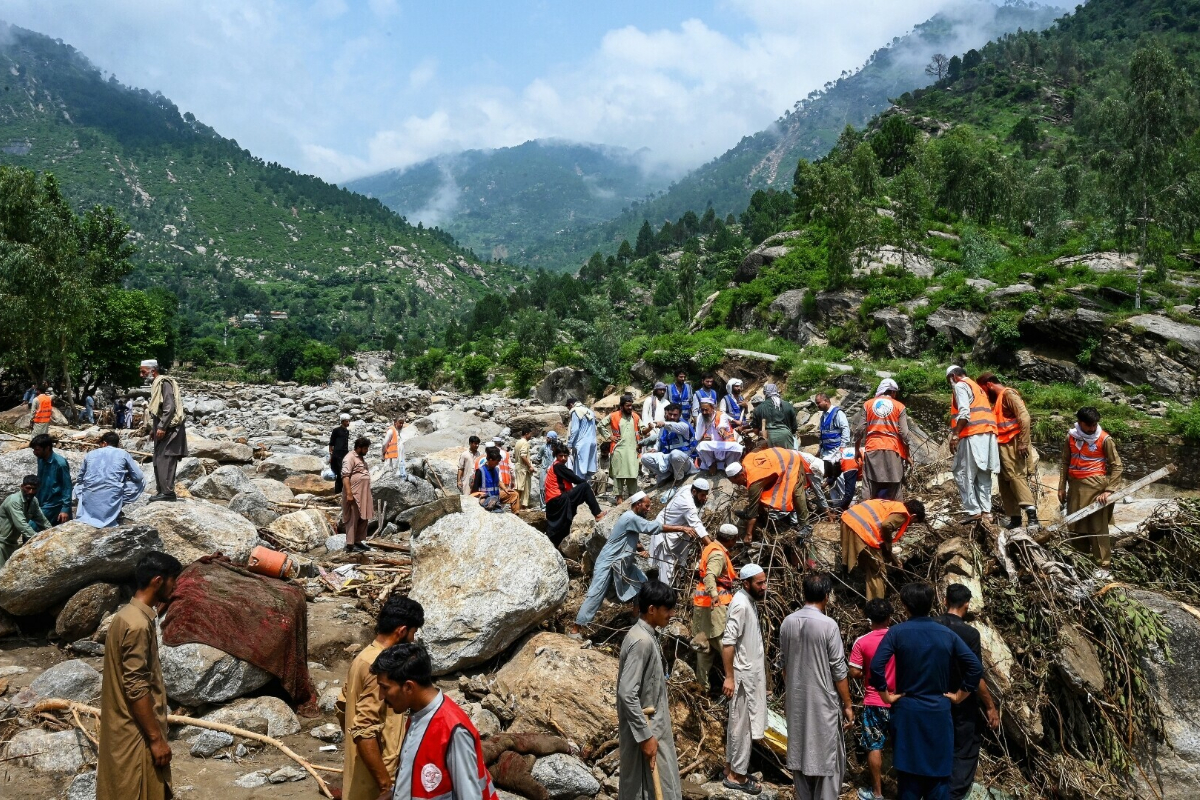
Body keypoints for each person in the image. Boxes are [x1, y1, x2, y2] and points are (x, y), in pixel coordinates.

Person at [871, 583, 984, 800]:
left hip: (908, 711)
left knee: (909, 780)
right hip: (939, 712)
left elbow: (877, 666)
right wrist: (961, 694)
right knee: (939, 778)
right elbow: (975, 667)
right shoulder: (946, 634)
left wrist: (886, 695)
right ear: (933, 603)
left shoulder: (896, 633)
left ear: (905, 606)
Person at [96, 551, 182, 800]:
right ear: (158, 580)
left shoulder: (125, 616)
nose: (174, 586)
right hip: (136, 736)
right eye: (173, 579)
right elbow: (136, 688)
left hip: (122, 731)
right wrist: (156, 740)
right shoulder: (138, 625)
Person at [371, 643, 499, 800]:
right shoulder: (417, 716)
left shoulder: (452, 729)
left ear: (408, 687)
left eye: (385, 688)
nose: (381, 696)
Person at [339, 596, 425, 800]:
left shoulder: (363, 657)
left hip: (362, 778)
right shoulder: (378, 667)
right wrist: (386, 786)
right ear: (402, 631)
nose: (413, 640)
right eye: (413, 633)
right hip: (377, 786)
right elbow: (364, 729)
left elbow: (343, 708)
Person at [780, 572, 853, 800]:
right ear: (826, 596)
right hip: (823, 704)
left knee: (800, 757)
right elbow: (839, 671)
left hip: (796, 702)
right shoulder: (828, 625)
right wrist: (848, 704)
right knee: (828, 762)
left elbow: (784, 665)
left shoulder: (787, 622)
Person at [572, 492, 685, 635]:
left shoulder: (632, 518)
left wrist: (641, 549)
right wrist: (681, 528)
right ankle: (576, 629)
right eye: (647, 506)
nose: (649, 509)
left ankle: (635, 616)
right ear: (638, 504)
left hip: (623, 562)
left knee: (643, 583)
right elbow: (652, 528)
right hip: (609, 562)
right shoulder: (630, 517)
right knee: (596, 594)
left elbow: (632, 537)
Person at [617, 580, 682, 800]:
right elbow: (627, 693)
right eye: (667, 609)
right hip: (647, 731)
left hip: (655, 730)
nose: (671, 614)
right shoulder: (641, 642)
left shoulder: (647, 635)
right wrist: (645, 737)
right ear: (652, 609)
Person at [936, 584, 1001, 800]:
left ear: (944, 601)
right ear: (966, 605)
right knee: (965, 747)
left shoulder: (931, 626)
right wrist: (990, 706)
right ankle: (952, 794)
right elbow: (975, 674)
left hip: (931, 697)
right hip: (960, 700)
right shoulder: (970, 634)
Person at [1059, 406, 1124, 580]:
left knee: (1097, 527)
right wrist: (1061, 487)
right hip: (1075, 487)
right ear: (1080, 423)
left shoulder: (1104, 439)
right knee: (1075, 525)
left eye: (1095, 424)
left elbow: (1117, 466)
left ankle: (1104, 566)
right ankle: (1081, 562)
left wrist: (1109, 490)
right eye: (1089, 425)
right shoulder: (1071, 437)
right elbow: (1065, 462)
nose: (1092, 428)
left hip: (1097, 488)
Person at [721, 563, 768, 795]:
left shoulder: (747, 601)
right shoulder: (740, 604)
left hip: (749, 676)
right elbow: (728, 643)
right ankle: (737, 776)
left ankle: (732, 768)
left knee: (738, 723)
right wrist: (729, 677)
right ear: (746, 583)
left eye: (764, 581)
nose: (764, 586)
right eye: (759, 583)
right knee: (743, 726)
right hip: (742, 679)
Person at [848, 599, 897, 800]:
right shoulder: (899, 638)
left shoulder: (862, 641)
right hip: (901, 700)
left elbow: (853, 671)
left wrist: (868, 672)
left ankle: (877, 793)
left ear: (869, 619)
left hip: (875, 700)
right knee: (903, 744)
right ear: (889, 617)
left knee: (874, 745)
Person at [977, 374, 1038, 529]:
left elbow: (1024, 417)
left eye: (982, 389)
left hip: (1014, 444)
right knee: (1004, 481)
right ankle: (1015, 519)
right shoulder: (998, 399)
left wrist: (1023, 442)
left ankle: (1032, 518)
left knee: (1016, 477)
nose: (983, 393)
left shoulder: (1008, 394)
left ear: (989, 384)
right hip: (1002, 445)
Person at [841, 498, 926, 601]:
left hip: (848, 520)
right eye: (914, 521)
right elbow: (886, 526)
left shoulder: (893, 505)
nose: (911, 524)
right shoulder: (903, 514)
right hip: (861, 530)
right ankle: (876, 605)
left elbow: (880, 533)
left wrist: (892, 557)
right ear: (913, 516)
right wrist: (888, 543)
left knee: (868, 563)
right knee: (878, 571)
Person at [946, 366, 999, 522]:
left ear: (953, 376)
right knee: (983, 474)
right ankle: (986, 512)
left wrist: (955, 435)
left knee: (962, 473)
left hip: (972, 435)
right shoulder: (977, 387)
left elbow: (964, 413)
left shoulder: (961, 385)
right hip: (988, 435)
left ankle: (973, 510)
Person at [726, 448, 810, 542]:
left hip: (791, 460)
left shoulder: (754, 481)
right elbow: (759, 446)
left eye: (737, 482)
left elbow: (753, 514)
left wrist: (749, 534)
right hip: (779, 458)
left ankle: (805, 526)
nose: (738, 485)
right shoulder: (747, 460)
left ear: (741, 474)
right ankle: (754, 513)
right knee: (760, 495)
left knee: (796, 492)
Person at [692, 523, 738, 694]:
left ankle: (701, 690)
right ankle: (734, 684)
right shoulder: (718, 554)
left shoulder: (710, 547)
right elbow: (711, 575)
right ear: (732, 539)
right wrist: (714, 595)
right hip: (714, 609)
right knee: (725, 645)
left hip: (701, 607)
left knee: (703, 650)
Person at [75, 432, 146, 528]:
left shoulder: (90, 454)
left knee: (77, 486)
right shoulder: (123, 454)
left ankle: (88, 510)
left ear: (104, 443)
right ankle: (116, 508)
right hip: (112, 495)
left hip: (91, 495)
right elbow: (139, 477)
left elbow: (80, 478)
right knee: (142, 482)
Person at [857, 378, 911, 502]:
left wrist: (856, 449)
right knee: (895, 485)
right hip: (893, 449)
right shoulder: (899, 406)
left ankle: (866, 514)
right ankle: (896, 514)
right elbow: (904, 434)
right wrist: (907, 454)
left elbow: (859, 430)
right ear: (892, 392)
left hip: (872, 448)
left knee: (869, 485)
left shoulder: (868, 404)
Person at [141, 360, 187, 503]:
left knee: (166, 458)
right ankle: (162, 490)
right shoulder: (157, 384)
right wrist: (154, 429)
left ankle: (167, 492)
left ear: (152, 371)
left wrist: (162, 426)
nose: (141, 375)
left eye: (143, 372)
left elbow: (169, 407)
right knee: (159, 458)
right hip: (164, 428)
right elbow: (158, 410)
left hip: (170, 429)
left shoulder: (164, 383)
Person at [651, 478, 710, 585]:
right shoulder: (687, 504)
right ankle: (664, 594)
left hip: (678, 532)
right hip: (665, 532)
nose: (704, 498)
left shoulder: (688, 488)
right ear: (694, 492)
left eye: (706, 495)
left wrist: (701, 501)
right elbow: (697, 525)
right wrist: (711, 546)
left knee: (680, 563)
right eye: (702, 495)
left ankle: (676, 587)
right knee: (666, 568)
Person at [545, 442, 605, 547]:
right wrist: (586, 485)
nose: (563, 458)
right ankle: (598, 514)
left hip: (552, 501)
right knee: (585, 487)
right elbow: (575, 479)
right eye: (560, 456)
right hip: (558, 499)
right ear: (556, 456)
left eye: (565, 455)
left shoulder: (554, 466)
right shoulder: (559, 466)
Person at [640, 403, 698, 486]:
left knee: (675, 454)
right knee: (645, 458)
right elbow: (659, 441)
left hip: (684, 461)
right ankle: (665, 476)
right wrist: (655, 449)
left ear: (680, 415)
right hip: (669, 460)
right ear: (665, 413)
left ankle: (679, 478)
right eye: (670, 414)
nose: (672, 417)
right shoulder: (664, 428)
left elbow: (674, 427)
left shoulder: (684, 426)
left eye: (675, 415)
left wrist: (664, 424)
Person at [0, 475, 48, 567]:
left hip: (12, 544)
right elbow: (21, 524)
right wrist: (36, 539)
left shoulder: (34, 501)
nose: (31, 492)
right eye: (28, 488)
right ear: (22, 486)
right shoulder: (14, 501)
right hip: (1, 543)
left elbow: (42, 520)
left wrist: (53, 533)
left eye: (34, 489)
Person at [31, 433, 72, 527]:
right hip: (42, 500)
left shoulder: (60, 463)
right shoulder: (41, 459)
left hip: (54, 504)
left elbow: (67, 486)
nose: (35, 452)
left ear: (47, 448)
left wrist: (65, 509)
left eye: (37, 450)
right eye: (34, 450)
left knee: (32, 526)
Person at [695, 399, 744, 474]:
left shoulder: (721, 415)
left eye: (706, 410)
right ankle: (711, 464)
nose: (704, 412)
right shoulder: (701, 417)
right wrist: (703, 438)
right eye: (702, 410)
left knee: (736, 447)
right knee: (701, 445)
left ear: (712, 408)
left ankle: (728, 464)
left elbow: (722, 425)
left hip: (724, 444)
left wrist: (722, 430)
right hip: (711, 447)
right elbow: (698, 437)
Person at [342, 436, 373, 552]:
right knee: (352, 518)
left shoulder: (361, 458)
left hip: (363, 493)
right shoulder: (349, 457)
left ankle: (358, 541)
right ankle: (350, 543)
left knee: (363, 517)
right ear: (359, 448)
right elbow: (345, 477)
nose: (367, 451)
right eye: (365, 448)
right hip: (354, 493)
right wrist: (349, 494)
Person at [609, 394, 642, 502]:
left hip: (633, 450)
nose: (630, 408)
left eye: (631, 405)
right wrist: (610, 436)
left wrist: (649, 428)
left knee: (633, 474)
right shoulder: (613, 416)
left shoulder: (635, 416)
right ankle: (619, 501)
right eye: (628, 406)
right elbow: (600, 425)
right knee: (618, 475)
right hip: (618, 449)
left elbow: (642, 429)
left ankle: (632, 500)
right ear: (622, 406)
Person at [472, 446, 520, 513]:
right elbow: (474, 489)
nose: (497, 464)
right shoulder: (480, 471)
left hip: (496, 495)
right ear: (490, 460)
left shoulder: (496, 470)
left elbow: (498, 481)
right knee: (492, 501)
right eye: (496, 462)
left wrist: (505, 489)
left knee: (514, 494)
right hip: (486, 498)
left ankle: (515, 514)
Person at [815, 393, 851, 480]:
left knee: (838, 478)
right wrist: (820, 450)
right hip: (826, 452)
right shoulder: (823, 416)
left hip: (836, 451)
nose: (817, 405)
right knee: (830, 478)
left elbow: (845, 429)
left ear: (826, 401)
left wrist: (842, 447)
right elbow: (823, 435)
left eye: (818, 403)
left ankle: (844, 494)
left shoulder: (837, 413)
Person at [750, 383, 797, 449]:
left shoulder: (758, 408)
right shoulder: (788, 405)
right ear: (777, 391)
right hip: (785, 436)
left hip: (767, 438)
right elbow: (794, 427)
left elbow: (755, 430)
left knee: (770, 458)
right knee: (788, 458)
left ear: (764, 393)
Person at [566, 398, 599, 483]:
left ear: (571, 405)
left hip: (582, 444)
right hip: (592, 442)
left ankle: (581, 492)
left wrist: (569, 445)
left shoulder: (575, 411)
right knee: (589, 471)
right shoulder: (589, 411)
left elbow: (575, 429)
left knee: (580, 471)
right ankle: (587, 491)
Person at [829, 446, 860, 511]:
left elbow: (848, 496)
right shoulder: (842, 453)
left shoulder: (848, 468)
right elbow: (835, 474)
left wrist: (837, 510)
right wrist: (826, 483)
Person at [330, 413, 353, 495]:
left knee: (344, 472)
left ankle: (342, 491)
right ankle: (338, 492)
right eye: (347, 421)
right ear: (342, 421)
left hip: (344, 454)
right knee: (340, 473)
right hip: (337, 454)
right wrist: (331, 455)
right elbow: (331, 443)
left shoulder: (346, 431)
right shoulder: (336, 430)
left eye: (349, 421)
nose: (348, 423)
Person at [513, 429, 534, 509]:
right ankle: (522, 506)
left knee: (518, 487)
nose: (531, 436)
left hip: (518, 467)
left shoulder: (518, 442)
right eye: (530, 434)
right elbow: (523, 455)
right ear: (526, 433)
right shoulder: (525, 443)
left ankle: (516, 505)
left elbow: (514, 455)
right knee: (524, 488)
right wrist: (530, 466)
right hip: (523, 468)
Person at [538, 431, 558, 507]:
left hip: (554, 470)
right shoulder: (543, 447)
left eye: (548, 437)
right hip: (544, 470)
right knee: (542, 487)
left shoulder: (557, 447)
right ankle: (543, 506)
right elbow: (538, 457)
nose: (547, 438)